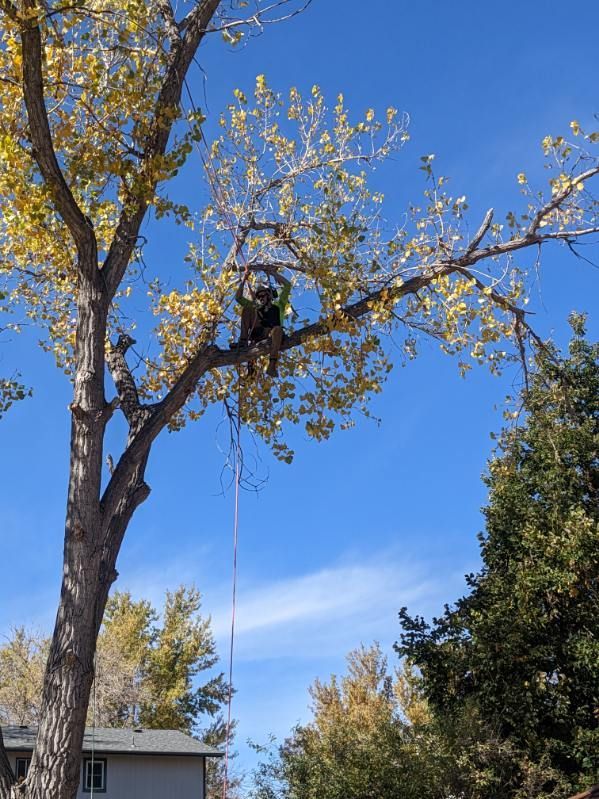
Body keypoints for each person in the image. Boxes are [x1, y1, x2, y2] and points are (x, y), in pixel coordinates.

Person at [233, 269, 291, 377]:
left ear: (268, 295)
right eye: (258, 296)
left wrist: (274, 274)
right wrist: (244, 279)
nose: (261, 298)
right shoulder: (257, 308)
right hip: (257, 334)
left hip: (272, 334)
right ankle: (243, 341)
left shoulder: (279, 305)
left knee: (278, 330)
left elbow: (287, 285)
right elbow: (238, 298)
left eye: (263, 295)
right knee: (247, 309)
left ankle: (272, 364)